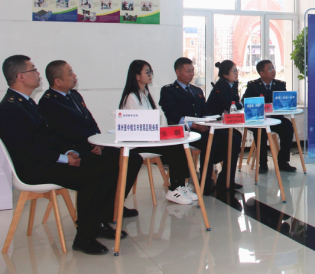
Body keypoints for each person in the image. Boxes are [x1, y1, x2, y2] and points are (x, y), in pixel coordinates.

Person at [0, 55, 125, 255]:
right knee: (90, 177)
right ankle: (84, 237)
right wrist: (63, 159)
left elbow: (50, 135)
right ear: (20, 76)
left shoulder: (27, 102)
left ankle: (97, 221)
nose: (38, 73)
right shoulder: (9, 107)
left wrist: (68, 152)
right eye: (33, 69)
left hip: (45, 160)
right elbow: (26, 149)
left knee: (104, 165)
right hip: (32, 169)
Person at [38, 60, 142, 218]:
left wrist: (98, 142)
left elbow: (90, 121)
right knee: (107, 166)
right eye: (70, 73)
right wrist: (90, 144)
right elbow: (64, 133)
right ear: (58, 81)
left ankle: (114, 204)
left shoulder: (74, 95)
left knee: (133, 159)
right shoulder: (48, 102)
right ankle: (102, 211)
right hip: (76, 151)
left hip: (91, 145)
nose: (75, 75)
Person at [118, 60, 197, 204]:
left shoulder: (144, 94)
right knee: (175, 148)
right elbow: (137, 127)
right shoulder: (131, 97)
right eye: (147, 72)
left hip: (149, 139)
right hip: (138, 144)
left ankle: (181, 186)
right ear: (137, 76)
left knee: (179, 143)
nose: (150, 75)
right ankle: (174, 189)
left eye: (151, 72)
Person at [159, 57, 242, 195]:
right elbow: (172, 116)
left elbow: (205, 112)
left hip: (202, 128)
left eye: (192, 71)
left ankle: (226, 180)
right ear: (177, 72)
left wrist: (209, 121)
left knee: (234, 139)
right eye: (188, 71)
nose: (191, 74)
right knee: (211, 142)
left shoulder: (197, 90)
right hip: (185, 131)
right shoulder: (169, 90)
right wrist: (195, 125)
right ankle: (205, 182)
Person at [242, 60, 297, 173]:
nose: (273, 71)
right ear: (261, 73)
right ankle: (263, 164)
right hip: (258, 120)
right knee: (260, 131)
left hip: (275, 119)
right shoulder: (253, 85)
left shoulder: (280, 85)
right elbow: (244, 102)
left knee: (288, 126)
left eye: (273, 68)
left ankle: (283, 162)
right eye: (270, 69)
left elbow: (285, 102)